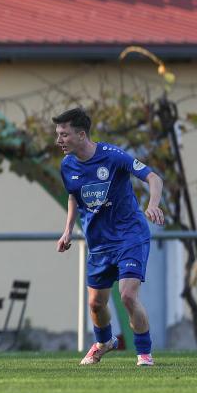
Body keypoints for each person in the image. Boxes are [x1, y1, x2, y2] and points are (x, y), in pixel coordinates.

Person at [54, 107, 164, 367]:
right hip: (99, 242)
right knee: (96, 304)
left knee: (127, 295)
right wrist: (68, 229)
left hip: (130, 236)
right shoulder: (67, 165)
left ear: (81, 135)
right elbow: (73, 196)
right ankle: (104, 342)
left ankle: (144, 354)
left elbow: (153, 177)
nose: (58, 140)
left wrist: (153, 204)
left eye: (64, 134)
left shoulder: (113, 156)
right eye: (57, 134)